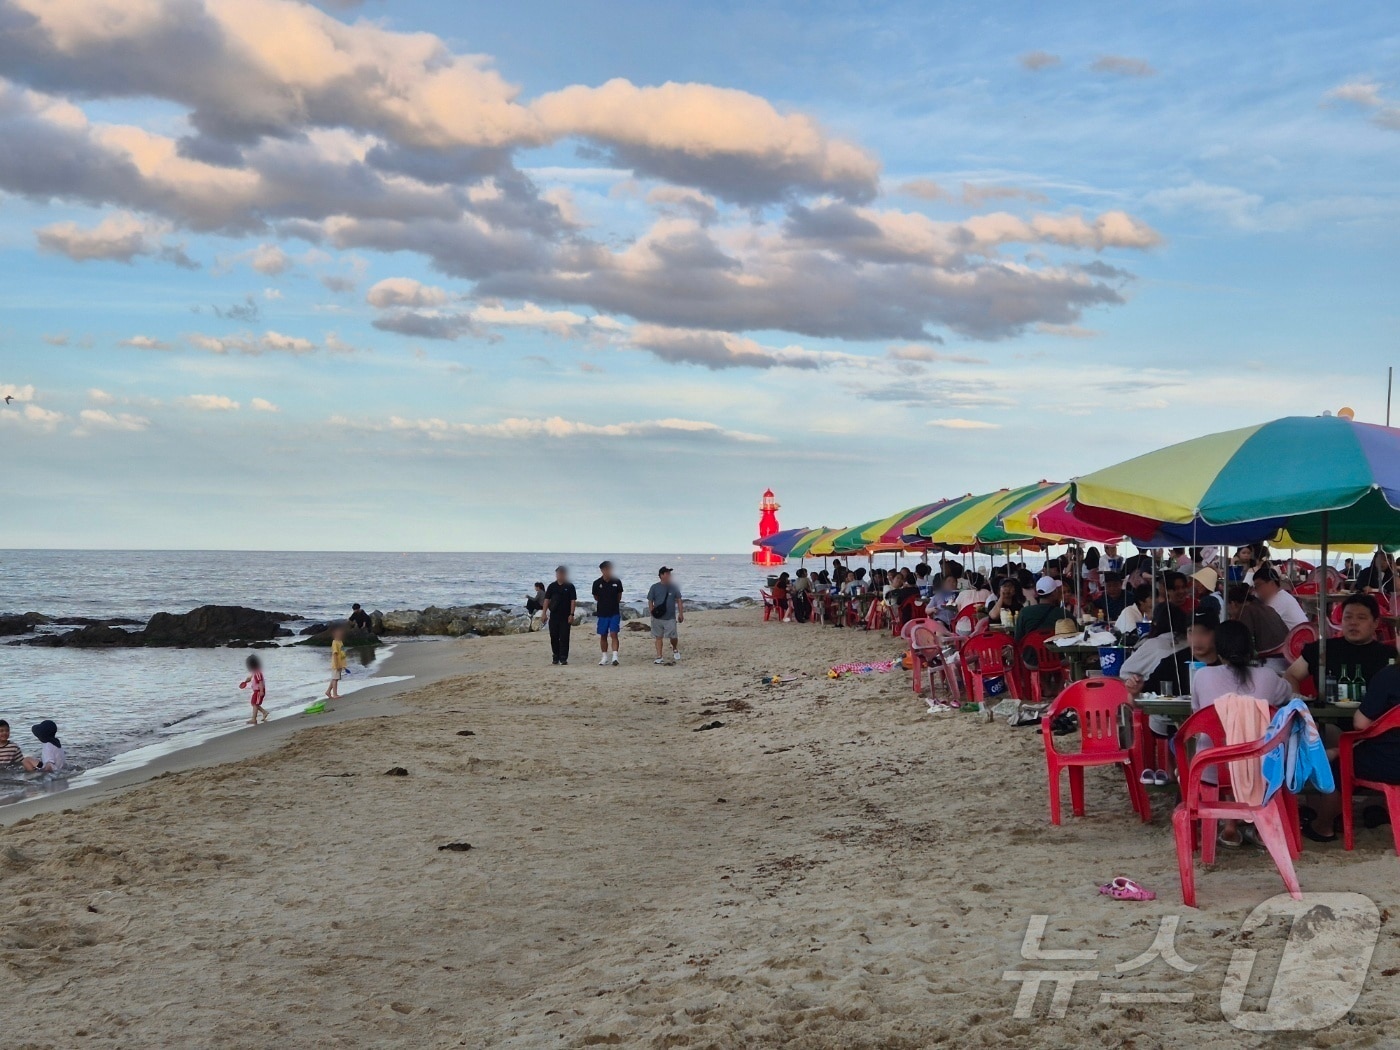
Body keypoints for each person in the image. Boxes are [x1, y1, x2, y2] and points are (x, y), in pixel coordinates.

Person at [1190, 620, 1293, 846]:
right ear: (1251, 648)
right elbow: (1288, 694)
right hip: (1262, 769)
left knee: (1224, 746)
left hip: (1211, 770)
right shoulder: (1268, 676)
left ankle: (1229, 825)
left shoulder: (1202, 677)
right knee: (1245, 743)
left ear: (1218, 648)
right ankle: (1258, 825)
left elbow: (1197, 716)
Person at [1286, 593, 1392, 696]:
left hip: (1377, 714)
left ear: (1375, 623)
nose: (1353, 623)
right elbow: (1291, 675)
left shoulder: (1389, 655)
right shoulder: (1321, 649)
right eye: (1348, 617)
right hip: (1327, 712)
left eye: (1361, 618)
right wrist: (1296, 700)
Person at [1226, 582, 1288, 660]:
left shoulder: (1247, 611)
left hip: (1270, 659)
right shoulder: (1265, 607)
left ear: (1233, 603)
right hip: (1284, 656)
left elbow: (1242, 642)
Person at [1252, 566, 1308, 631]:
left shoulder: (1278, 600)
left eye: (1258, 586)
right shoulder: (1282, 595)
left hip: (1299, 638)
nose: (1257, 590)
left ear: (1271, 583)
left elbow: (1260, 623)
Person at [648, 567, 684, 665]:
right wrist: (651, 612)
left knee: (673, 637)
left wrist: (681, 613)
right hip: (657, 616)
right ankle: (659, 656)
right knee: (658, 637)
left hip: (670, 617)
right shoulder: (654, 587)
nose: (669, 576)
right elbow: (650, 600)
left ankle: (675, 648)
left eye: (670, 574)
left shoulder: (674, 587)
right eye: (667, 574)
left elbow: (679, 600)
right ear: (661, 575)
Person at [1014, 577, 1068, 641]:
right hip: (1055, 650)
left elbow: (1018, 638)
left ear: (1036, 593)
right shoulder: (1063, 613)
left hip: (1030, 649)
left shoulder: (1024, 612)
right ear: (1054, 592)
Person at [592, 561, 624, 666]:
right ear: (602, 570)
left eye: (609, 569)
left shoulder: (617, 582)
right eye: (605, 569)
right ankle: (604, 657)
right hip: (602, 613)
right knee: (603, 635)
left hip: (614, 612)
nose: (608, 571)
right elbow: (596, 597)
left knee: (614, 633)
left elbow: (619, 596)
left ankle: (615, 657)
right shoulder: (597, 583)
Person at [544, 565, 577, 666]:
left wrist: (571, 614)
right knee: (553, 636)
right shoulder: (552, 586)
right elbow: (546, 600)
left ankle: (563, 658)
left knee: (564, 637)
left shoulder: (570, 586)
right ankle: (555, 656)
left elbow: (573, 601)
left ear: (565, 574)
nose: (560, 575)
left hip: (565, 616)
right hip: (554, 616)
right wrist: (544, 613)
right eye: (558, 573)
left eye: (562, 573)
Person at [240, 653, 269, 725]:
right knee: (253, 703)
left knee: (255, 704)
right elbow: (252, 679)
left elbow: (260, 681)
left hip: (259, 691)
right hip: (256, 691)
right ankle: (264, 712)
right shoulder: (255, 672)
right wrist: (247, 681)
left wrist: (261, 691)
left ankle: (254, 719)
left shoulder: (257, 672)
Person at [326, 626, 346, 700]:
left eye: (341, 633)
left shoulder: (340, 642)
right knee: (335, 679)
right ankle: (334, 694)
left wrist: (343, 664)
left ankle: (328, 691)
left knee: (335, 678)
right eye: (338, 633)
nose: (340, 635)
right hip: (336, 664)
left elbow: (342, 653)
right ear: (334, 634)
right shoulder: (334, 642)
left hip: (340, 663)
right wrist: (337, 664)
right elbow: (335, 654)